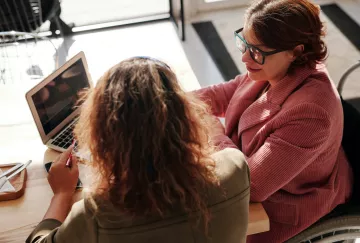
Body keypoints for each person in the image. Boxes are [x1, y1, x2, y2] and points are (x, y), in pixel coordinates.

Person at [26, 57, 250, 243]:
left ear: (103, 137)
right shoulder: (235, 168)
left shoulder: (97, 215)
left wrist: (62, 195)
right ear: (187, 117)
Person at [193, 0, 353, 242]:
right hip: (253, 177)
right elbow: (226, 93)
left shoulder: (311, 113)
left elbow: (251, 187)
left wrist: (210, 127)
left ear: (296, 52)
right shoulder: (271, 65)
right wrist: (170, 101)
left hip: (280, 208)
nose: (245, 58)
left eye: (255, 51)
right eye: (243, 43)